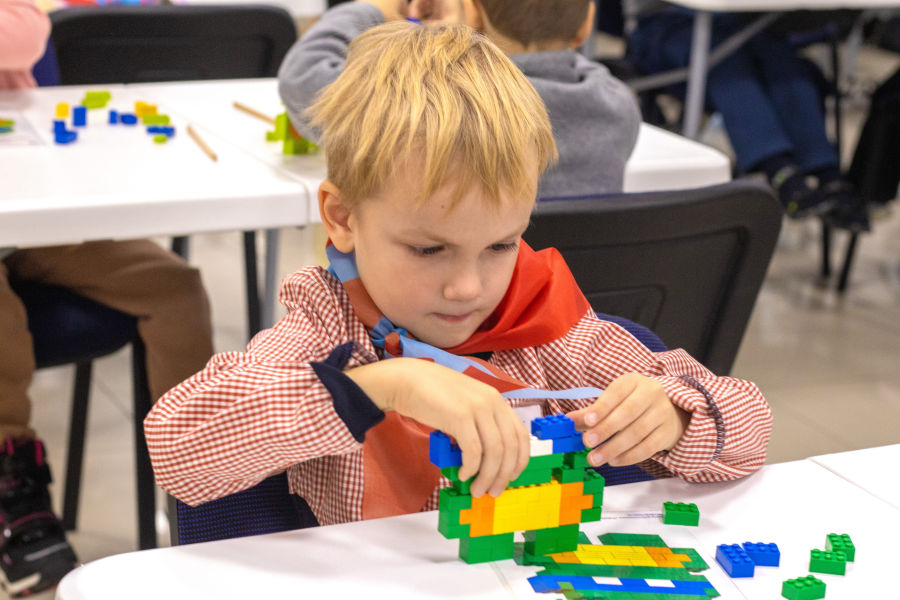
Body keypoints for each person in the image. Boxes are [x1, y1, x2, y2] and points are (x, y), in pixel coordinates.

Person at [146, 22, 772, 529]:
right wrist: (382, 386)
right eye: (428, 250)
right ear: (342, 218)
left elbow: (751, 425)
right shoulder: (326, 327)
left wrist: (679, 417)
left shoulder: (546, 325)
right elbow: (176, 446)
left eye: (500, 244)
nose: (469, 288)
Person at [0, 1, 215, 594]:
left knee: (175, 288)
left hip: (31, 208)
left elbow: (27, 31)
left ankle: (201, 479)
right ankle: (13, 486)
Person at [277, 0, 641, 198]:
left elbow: (303, 76)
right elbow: (559, 65)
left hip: (444, 313)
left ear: (476, 12)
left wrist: (374, 8)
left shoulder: (431, 102)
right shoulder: (618, 108)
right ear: (587, 22)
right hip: (570, 309)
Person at [624, 0, 869, 231]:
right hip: (665, 24)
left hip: (739, 21)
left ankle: (827, 173)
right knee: (728, 64)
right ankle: (781, 171)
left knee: (783, 60)